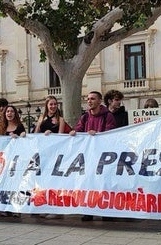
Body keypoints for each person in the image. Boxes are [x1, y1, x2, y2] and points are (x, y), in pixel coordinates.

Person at [70, 91, 116, 222]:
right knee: (89, 184)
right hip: (89, 156)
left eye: (92, 99)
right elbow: (79, 129)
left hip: (103, 158)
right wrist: (74, 133)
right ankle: (88, 211)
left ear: (99, 101)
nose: (89, 101)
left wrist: (98, 135)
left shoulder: (108, 116)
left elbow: (110, 133)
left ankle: (106, 212)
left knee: (103, 184)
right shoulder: (85, 117)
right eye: (88, 99)